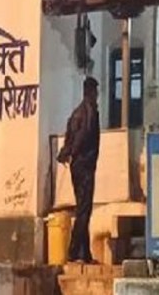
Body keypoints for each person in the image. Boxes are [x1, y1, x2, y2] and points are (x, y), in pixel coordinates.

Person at [57, 77, 100, 263]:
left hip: (78, 165)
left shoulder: (77, 112)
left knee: (83, 208)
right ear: (90, 92)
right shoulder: (89, 112)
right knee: (84, 209)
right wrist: (73, 152)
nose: (97, 95)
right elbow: (82, 136)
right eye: (95, 92)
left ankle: (85, 254)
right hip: (85, 166)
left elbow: (70, 136)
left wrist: (66, 153)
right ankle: (74, 251)